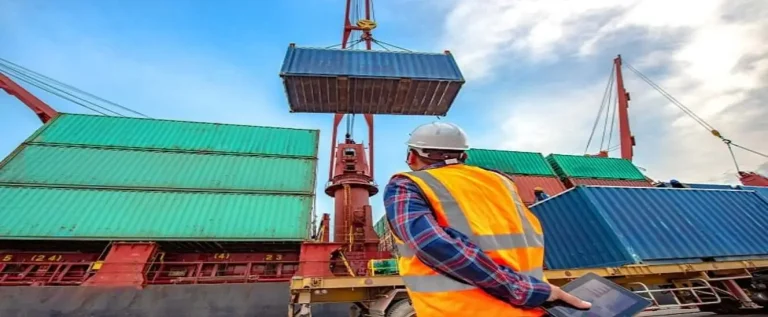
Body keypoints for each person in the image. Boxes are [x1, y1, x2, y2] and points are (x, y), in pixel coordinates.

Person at [383, 122, 591, 316]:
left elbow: (433, 244)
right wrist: (534, 291)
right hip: (532, 310)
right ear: (464, 155)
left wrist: (522, 290)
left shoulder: (407, 184)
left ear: (411, 156)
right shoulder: (502, 181)